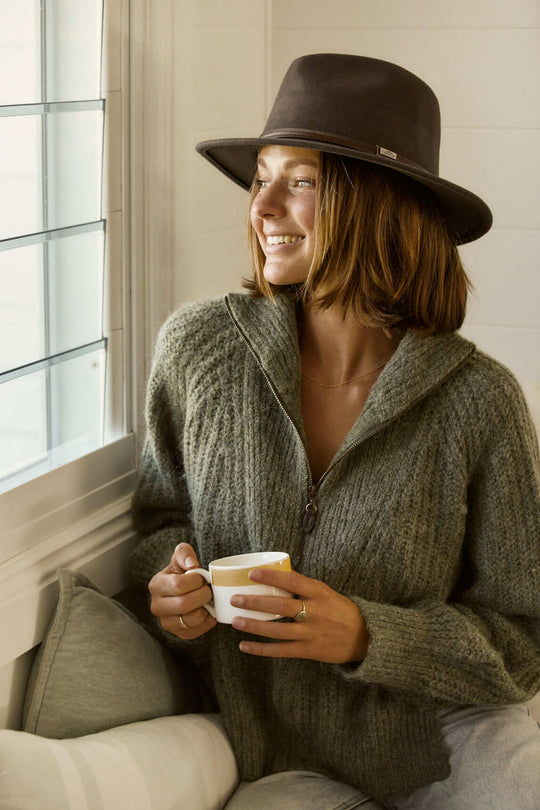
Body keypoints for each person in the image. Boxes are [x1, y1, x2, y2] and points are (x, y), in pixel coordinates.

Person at [129, 54, 540, 809]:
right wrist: (172, 587)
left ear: (376, 201)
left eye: (300, 181)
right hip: (280, 755)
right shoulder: (199, 350)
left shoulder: (481, 402)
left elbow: (524, 637)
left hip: (450, 734)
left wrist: (368, 636)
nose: (261, 206)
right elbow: (159, 521)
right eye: (260, 178)